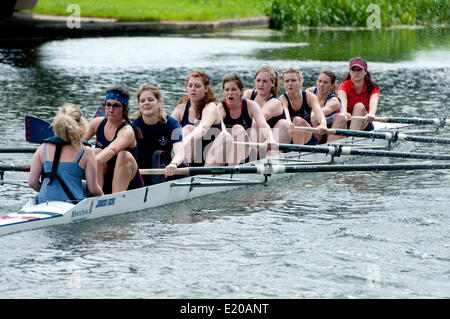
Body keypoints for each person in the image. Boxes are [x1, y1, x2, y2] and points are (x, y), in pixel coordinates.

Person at [28, 104, 103, 204]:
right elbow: (93, 189)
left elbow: (32, 182)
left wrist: (50, 191)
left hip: (43, 201)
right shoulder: (87, 152)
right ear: (81, 124)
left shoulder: (42, 148)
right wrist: (102, 196)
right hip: (73, 204)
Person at [84, 87, 144, 194]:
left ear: (124, 109)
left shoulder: (127, 131)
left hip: (129, 185)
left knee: (123, 155)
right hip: (104, 180)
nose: (111, 110)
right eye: (108, 105)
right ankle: (96, 196)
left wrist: (90, 162)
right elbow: (76, 142)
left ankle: (116, 199)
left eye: (116, 106)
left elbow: (111, 150)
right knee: (96, 151)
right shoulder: (96, 123)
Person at [171, 71, 231, 166]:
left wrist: (183, 143)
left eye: (197, 86)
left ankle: (206, 173)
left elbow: (203, 128)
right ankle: (183, 169)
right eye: (190, 86)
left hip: (212, 158)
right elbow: (168, 129)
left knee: (226, 137)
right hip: (191, 159)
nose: (193, 89)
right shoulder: (181, 108)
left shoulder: (210, 107)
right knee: (186, 129)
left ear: (206, 88)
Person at [217, 73, 277, 166]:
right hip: (227, 152)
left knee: (237, 129)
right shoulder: (220, 108)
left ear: (241, 91)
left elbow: (264, 125)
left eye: (233, 89)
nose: (230, 93)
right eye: (227, 90)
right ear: (223, 92)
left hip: (247, 152)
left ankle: (232, 172)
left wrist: (270, 139)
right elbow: (223, 131)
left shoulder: (251, 106)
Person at [132, 83, 185, 185]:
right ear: (139, 105)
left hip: (170, 171)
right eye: (142, 101)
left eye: (150, 100)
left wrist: (173, 164)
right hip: (145, 172)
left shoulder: (172, 124)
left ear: (159, 102)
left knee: (158, 155)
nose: (146, 103)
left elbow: (180, 151)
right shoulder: (135, 126)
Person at [328, 57, 380, 142]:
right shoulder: (344, 86)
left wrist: (371, 113)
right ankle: (328, 148)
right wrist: (344, 111)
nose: (356, 72)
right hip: (346, 122)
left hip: (363, 123)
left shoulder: (372, 88)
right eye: (353, 70)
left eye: (359, 70)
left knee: (359, 106)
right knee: (340, 116)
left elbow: (374, 104)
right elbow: (342, 101)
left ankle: (350, 140)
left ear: (365, 72)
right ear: (350, 72)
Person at [242, 65, 291, 155]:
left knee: (283, 124)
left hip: (272, 144)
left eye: (265, 81)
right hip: (254, 141)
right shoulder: (248, 94)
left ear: (273, 83)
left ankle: (259, 158)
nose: (260, 84)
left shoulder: (274, 102)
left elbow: (258, 120)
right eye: (258, 80)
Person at [279, 67, 327, 145]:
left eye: (293, 80)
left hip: (309, 137)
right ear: (284, 84)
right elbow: (285, 112)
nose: (290, 84)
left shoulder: (309, 97)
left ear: (300, 82)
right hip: (291, 135)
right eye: (287, 81)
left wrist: (323, 124)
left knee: (297, 120)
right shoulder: (282, 99)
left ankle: (297, 153)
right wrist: (288, 121)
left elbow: (319, 113)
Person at [306, 70, 342, 143]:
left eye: (325, 82)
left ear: (332, 85)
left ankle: (312, 145)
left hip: (328, 137)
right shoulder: (309, 92)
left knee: (314, 117)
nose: (321, 84)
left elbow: (318, 114)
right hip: (311, 132)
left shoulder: (334, 101)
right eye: (320, 81)